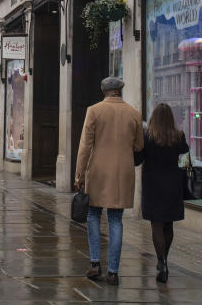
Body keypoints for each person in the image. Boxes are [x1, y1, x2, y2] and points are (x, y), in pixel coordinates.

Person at [74, 77, 145, 286]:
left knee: (93, 214)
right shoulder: (134, 113)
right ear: (119, 91)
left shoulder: (94, 111)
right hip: (123, 173)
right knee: (116, 220)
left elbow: (85, 146)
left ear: (104, 91)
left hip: (98, 171)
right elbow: (140, 145)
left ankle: (95, 263)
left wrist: (79, 176)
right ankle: (113, 271)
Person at [135, 102, 189, 283]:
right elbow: (185, 149)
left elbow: (137, 159)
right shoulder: (177, 136)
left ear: (154, 118)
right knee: (169, 225)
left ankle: (161, 262)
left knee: (156, 224)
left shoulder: (147, 136)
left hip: (153, 185)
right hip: (173, 185)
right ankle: (164, 260)